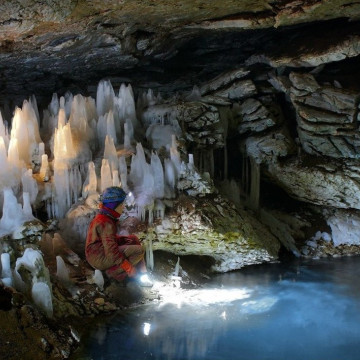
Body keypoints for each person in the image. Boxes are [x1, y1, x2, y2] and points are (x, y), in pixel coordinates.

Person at [85, 186, 153, 287]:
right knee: (139, 250)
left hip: (96, 252)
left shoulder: (104, 217)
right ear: (114, 205)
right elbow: (112, 254)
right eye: (121, 204)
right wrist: (129, 268)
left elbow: (104, 239)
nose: (124, 207)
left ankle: (143, 274)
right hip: (98, 258)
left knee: (133, 239)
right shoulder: (106, 223)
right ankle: (113, 273)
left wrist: (121, 239)